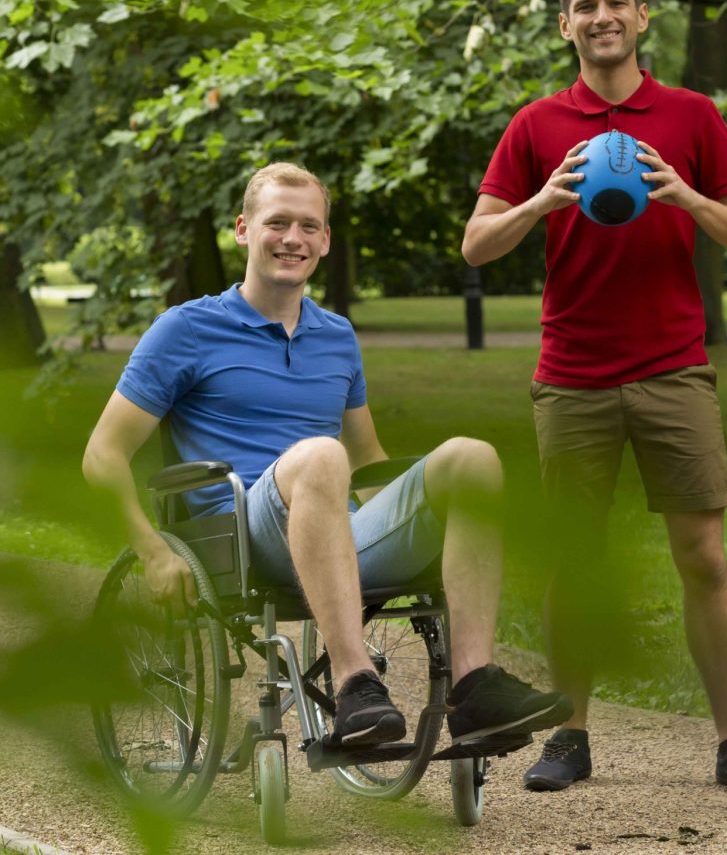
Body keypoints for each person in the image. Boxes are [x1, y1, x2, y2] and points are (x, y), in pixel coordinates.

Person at [83, 161, 572, 749]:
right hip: (240, 538)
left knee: (472, 458)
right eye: (277, 223)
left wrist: (429, 530)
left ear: (326, 240)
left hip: (333, 533)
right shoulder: (185, 330)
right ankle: (355, 682)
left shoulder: (336, 334)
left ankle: (474, 688)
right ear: (243, 229)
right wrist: (153, 549)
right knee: (318, 453)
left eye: (308, 226)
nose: (293, 239)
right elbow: (102, 455)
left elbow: (367, 462)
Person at [461, 0, 727, 796]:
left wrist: (683, 194)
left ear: (643, 17)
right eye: (586, 7)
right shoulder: (536, 126)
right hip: (571, 373)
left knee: (704, 556)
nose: (602, 17)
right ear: (564, 24)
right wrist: (540, 202)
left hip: (674, 368)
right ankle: (569, 737)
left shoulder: (691, 116)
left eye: (616, 3)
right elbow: (476, 243)